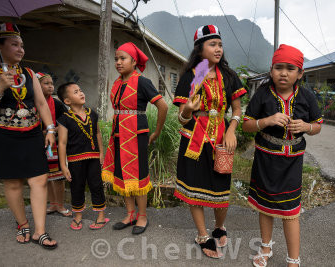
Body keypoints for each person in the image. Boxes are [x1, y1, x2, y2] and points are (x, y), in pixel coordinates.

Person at [242, 44, 323, 267]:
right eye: (279, 67)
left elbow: (318, 125)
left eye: (290, 68)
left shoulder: (307, 96)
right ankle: (266, 247)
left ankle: (293, 259)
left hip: (292, 162)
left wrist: (306, 127)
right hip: (265, 160)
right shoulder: (262, 94)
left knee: (290, 210)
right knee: (265, 206)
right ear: (271, 70)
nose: (284, 73)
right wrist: (266, 121)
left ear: (300, 73)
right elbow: (246, 125)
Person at [0, 23, 57, 249]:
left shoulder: (29, 73)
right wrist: (0, 86)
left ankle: (40, 231)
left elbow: (41, 103)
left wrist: (50, 129)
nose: (21, 49)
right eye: (14, 44)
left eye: (22, 45)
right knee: (13, 183)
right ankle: (22, 224)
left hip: (31, 134)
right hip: (3, 136)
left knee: (39, 180)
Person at [173, 25, 246, 258]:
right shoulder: (190, 76)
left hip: (221, 139)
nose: (218, 49)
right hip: (194, 138)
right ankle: (203, 235)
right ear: (200, 49)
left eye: (220, 44)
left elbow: (237, 110)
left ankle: (219, 226)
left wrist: (232, 130)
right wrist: (187, 110)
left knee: (221, 186)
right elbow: (182, 120)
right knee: (195, 187)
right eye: (212, 44)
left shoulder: (230, 76)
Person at [102, 42, 168, 235]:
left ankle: (142, 216)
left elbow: (162, 106)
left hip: (136, 135)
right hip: (118, 134)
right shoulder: (117, 82)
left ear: (134, 61)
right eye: (116, 59)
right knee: (123, 174)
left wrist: (156, 132)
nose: (118, 62)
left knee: (138, 176)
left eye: (123, 59)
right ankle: (130, 214)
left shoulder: (142, 82)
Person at [57, 82, 108, 230]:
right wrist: (63, 165)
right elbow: (62, 143)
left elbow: (97, 133)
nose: (81, 93)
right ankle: (78, 216)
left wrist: (101, 153)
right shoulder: (64, 119)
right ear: (67, 101)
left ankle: (101, 216)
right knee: (77, 187)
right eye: (75, 92)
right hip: (75, 160)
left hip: (93, 158)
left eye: (80, 90)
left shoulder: (92, 114)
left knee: (96, 185)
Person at [36, 72, 71, 217]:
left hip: (55, 145)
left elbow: (66, 121)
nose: (51, 86)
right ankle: (53, 204)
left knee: (58, 176)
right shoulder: (31, 103)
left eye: (52, 83)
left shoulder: (56, 104)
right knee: (46, 176)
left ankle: (61, 205)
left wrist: (51, 131)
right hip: (37, 144)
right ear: (37, 86)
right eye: (46, 83)